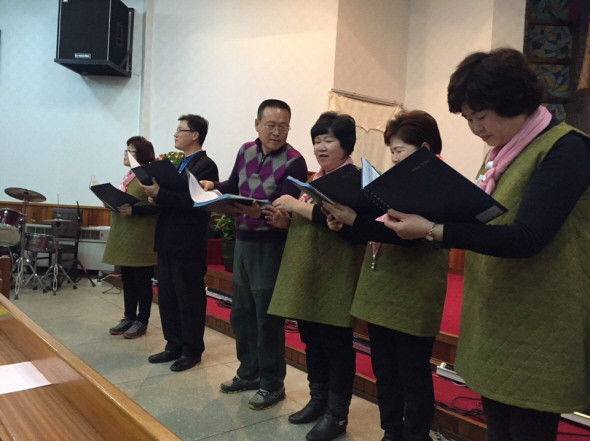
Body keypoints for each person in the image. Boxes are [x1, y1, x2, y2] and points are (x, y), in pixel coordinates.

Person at [381, 48, 590, 441]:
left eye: (480, 116)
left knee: (527, 429)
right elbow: (481, 218)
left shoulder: (567, 149)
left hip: (541, 321)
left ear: (513, 101)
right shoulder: (501, 156)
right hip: (495, 314)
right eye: (467, 119)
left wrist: (433, 229)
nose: (475, 128)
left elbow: (526, 237)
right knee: (498, 426)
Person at [323, 111, 448, 441]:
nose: (393, 158)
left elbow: (407, 236)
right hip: (380, 288)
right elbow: (374, 231)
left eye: (399, 150)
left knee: (413, 374)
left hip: (413, 293)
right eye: (391, 151)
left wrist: (355, 221)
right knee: (385, 370)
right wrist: (344, 225)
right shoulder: (394, 183)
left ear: (424, 149)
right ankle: (391, 432)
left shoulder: (441, 184)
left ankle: (416, 436)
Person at [201, 99, 308, 410]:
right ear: (257, 124)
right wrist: (213, 186)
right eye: (271, 125)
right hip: (243, 242)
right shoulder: (246, 150)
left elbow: (284, 205)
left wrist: (257, 210)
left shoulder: (294, 160)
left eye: (283, 126)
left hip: (270, 246)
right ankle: (248, 372)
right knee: (241, 313)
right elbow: (233, 184)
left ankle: (272, 384)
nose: (277, 132)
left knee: (266, 319)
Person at [265, 112, 361, 441]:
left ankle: (336, 414)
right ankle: (317, 401)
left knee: (336, 346)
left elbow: (335, 218)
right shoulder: (316, 179)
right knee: (311, 341)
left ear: (345, 144)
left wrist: (295, 205)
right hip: (307, 273)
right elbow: (311, 220)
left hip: (334, 276)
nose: (321, 147)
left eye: (328, 140)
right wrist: (286, 220)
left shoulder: (352, 179)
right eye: (317, 141)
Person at [135, 114, 219, 372]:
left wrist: (161, 193)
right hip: (168, 238)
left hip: (188, 242)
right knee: (168, 296)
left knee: (189, 299)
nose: (175, 134)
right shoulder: (179, 163)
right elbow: (174, 197)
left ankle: (192, 350)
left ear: (195, 135)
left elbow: (194, 202)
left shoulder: (206, 166)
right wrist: (156, 198)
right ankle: (173, 344)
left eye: (181, 130)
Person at [103, 136, 159, 339]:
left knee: (142, 281)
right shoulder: (130, 175)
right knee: (127, 279)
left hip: (140, 237)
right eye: (125, 149)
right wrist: (108, 201)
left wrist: (134, 210)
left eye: (130, 150)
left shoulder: (148, 176)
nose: (125, 153)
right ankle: (128, 317)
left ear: (141, 154)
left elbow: (158, 206)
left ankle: (141, 321)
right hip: (124, 235)